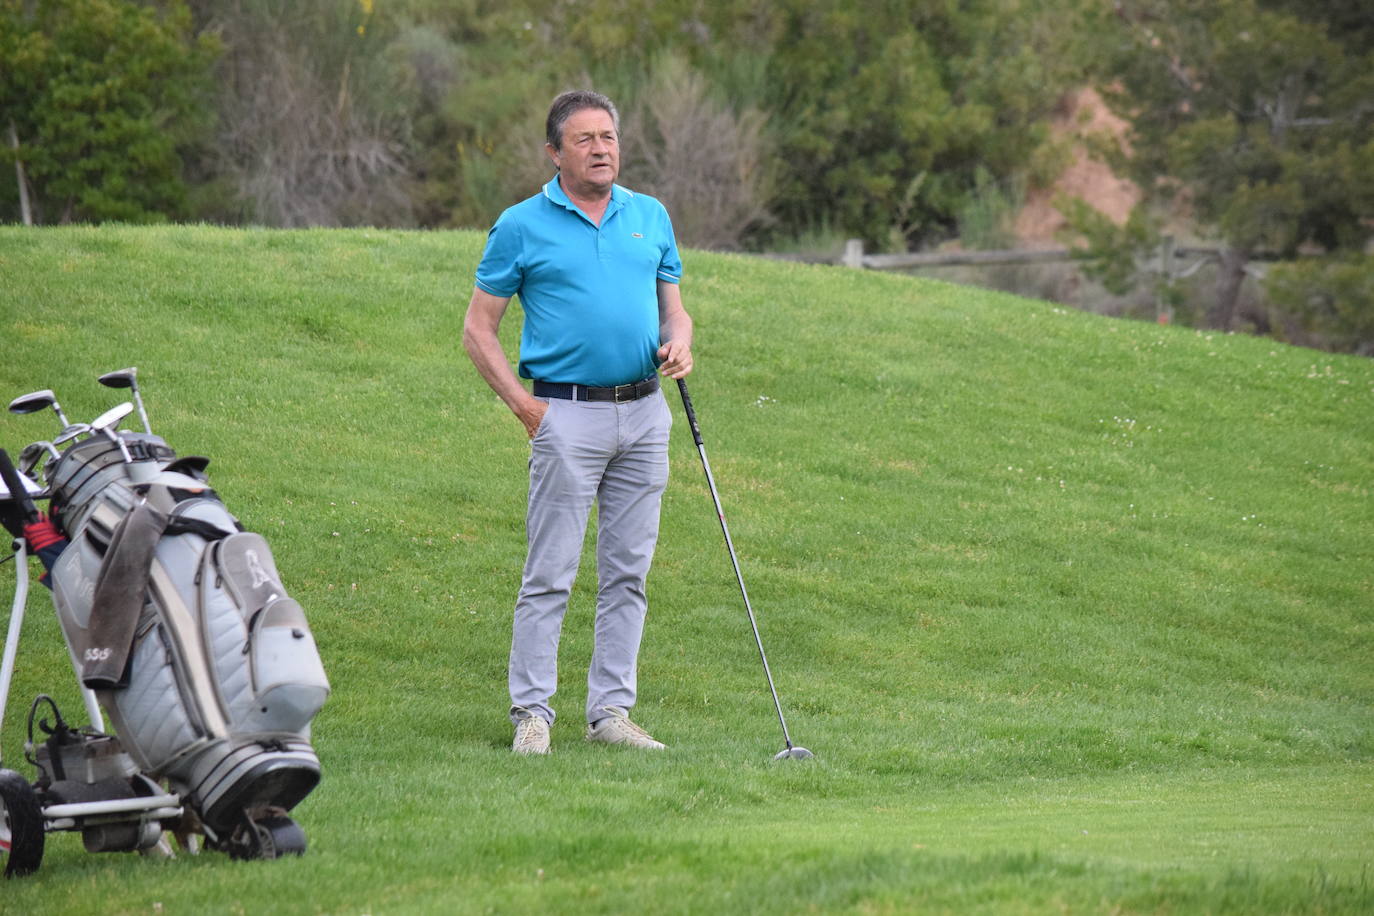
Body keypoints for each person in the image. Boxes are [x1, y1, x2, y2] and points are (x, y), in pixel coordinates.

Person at [463, 89, 693, 755]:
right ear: (555, 153)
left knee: (629, 572)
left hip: (646, 414)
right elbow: (479, 330)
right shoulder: (521, 225)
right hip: (565, 413)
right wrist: (524, 406)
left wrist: (680, 339)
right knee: (551, 571)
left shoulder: (648, 216)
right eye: (586, 139)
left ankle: (611, 714)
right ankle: (532, 713)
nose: (601, 149)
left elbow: (674, 308)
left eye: (609, 137)